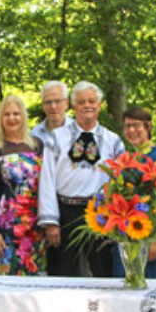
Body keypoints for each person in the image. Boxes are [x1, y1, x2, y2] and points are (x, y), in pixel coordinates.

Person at [38, 81, 125, 277]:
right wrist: (50, 221)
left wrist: (115, 217)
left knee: (103, 271)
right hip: (65, 211)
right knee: (64, 272)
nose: (87, 105)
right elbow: (47, 179)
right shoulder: (56, 138)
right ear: (73, 105)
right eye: (82, 101)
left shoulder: (113, 142)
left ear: (100, 105)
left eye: (92, 101)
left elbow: (121, 183)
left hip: (100, 213)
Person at [0, 95, 46, 275]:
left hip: (36, 224)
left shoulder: (37, 145)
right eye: (6, 114)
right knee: (8, 276)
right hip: (8, 226)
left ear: (23, 117)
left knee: (36, 276)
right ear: (0, 119)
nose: (12, 118)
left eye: (16, 114)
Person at [113, 106, 156, 278]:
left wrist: (155, 238)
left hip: (150, 234)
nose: (131, 130)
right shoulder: (126, 158)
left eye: (136, 125)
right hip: (128, 232)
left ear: (148, 126)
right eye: (127, 126)